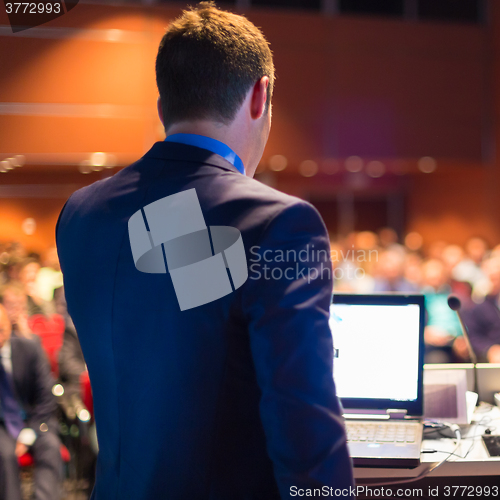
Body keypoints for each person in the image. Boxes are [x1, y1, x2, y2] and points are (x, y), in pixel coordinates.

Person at [56, 2, 354, 499]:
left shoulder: (81, 213)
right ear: (260, 96)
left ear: (162, 106)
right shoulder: (278, 223)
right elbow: (305, 427)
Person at [0, 304, 62, 500]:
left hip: (35, 420)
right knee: (4, 454)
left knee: (51, 447)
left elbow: (46, 395)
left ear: (9, 325)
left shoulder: (30, 347)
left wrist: (29, 432)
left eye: (1, 329)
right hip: (2, 426)